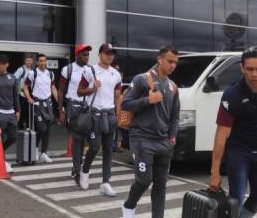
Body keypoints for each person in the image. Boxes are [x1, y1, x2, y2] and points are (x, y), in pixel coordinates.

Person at [209, 46, 257, 218]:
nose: (254, 74)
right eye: (249, 69)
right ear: (242, 68)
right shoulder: (232, 95)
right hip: (238, 151)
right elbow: (221, 134)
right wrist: (215, 173)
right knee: (235, 201)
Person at [121, 46, 180, 218]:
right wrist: (148, 100)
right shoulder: (142, 79)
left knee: (161, 184)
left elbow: (175, 115)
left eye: (175, 63)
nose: (173, 66)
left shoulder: (173, 87)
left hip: (164, 142)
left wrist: (172, 137)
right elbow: (125, 104)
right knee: (144, 180)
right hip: (142, 139)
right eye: (170, 61)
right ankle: (128, 206)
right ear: (160, 59)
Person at [77, 43, 122, 197]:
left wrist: (118, 114)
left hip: (110, 115)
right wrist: (92, 88)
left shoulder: (116, 74)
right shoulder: (90, 70)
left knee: (109, 150)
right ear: (100, 54)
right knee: (95, 148)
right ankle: (84, 170)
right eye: (107, 53)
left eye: (112, 53)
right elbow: (79, 91)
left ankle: (105, 182)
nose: (110, 56)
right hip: (94, 115)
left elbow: (117, 95)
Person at [58, 43, 92, 184]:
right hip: (73, 107)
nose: (87, 57)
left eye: (88, 55)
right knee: (77, 139)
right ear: (77, 55)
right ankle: (78, 171)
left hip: (87, 107)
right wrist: (61, 110)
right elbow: (61, 89)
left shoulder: (91, 70)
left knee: (87, 140)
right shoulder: (68, 69)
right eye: (84, 55)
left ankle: (77, 166)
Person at [23, 54, 58, 163]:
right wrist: (28, 97)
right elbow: (24, 86)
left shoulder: (50, 74)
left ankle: (44, 153)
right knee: (41, 129)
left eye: (44, 61)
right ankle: (35, 150)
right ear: (37, 62)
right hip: (37, 104)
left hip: (48, 104)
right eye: (40, 61)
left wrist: (59, 102)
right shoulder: (33, 73)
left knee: (47, 130)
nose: (43, 63)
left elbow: (53, 87)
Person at [14, 55, 33, 129]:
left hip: (29, 93)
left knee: (27, 111)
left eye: (30, 61)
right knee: (21, 111)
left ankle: (27, 127)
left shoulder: (32, 70)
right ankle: (19, 127)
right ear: (24, 61)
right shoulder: (21, 69)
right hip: (21, 93)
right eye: (27, 60)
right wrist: (17, 90)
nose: (28, 62)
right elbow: (14, 79)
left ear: (32, 62)